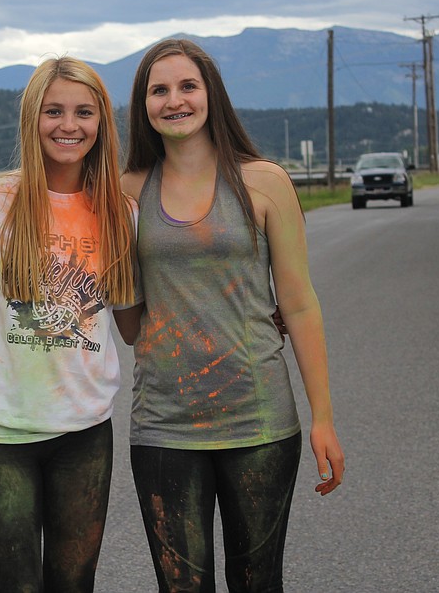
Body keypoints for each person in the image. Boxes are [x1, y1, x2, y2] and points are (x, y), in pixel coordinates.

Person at [120, 38, 345, 593]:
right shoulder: (127, 192)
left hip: (260, 422)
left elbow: (298, 302)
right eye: (159, 90)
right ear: (143, 105)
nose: (175, 100)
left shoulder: (264, 181)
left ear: (210, 94)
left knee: (258, 582)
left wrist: (323, 417)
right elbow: (130, 324)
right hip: (164, 425)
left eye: (187, 86)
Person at [0, 56, 139, 593]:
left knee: (72, 584)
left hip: (83, 429)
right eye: (53, 111)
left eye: (84, 112)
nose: (68, 125)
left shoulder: (119, 213)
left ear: (102, 122)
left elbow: (131, 321)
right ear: (32, 118)